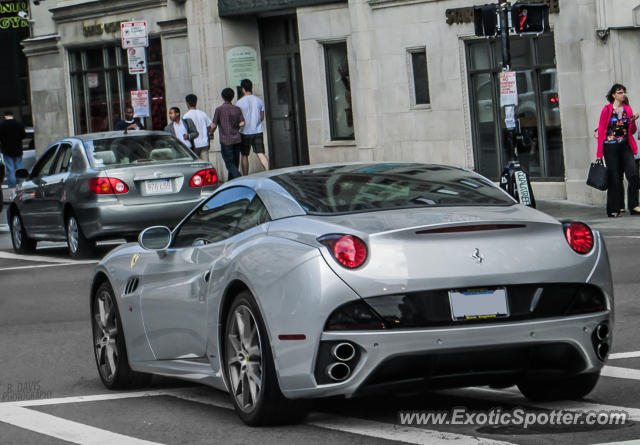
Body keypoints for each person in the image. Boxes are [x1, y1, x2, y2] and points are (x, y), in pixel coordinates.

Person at [597, 84, 640, 217]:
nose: (623, 95)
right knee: (614, 177)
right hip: (610, 147)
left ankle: (633, 205)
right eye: (620, 92)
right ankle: (614, 208)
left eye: (623, 92)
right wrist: (599, 154)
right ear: (614, 95)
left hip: (625, 146)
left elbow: (631, 131)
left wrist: (632, 121)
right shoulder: (607, 110)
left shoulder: (627, 109)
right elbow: (602, 131)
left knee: (633, 174)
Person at [236, 79, 268, 175]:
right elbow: (262, 117)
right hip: (257, 130)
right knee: (261, 153)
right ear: (251, 87)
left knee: (244, 155)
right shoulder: (259, 100)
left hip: (244, 132)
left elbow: (239, 120)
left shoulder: (239, 103)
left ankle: (245, 176)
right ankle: (268, 171)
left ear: (243, 89)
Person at [212, 88, 245, 180]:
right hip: (237, 139)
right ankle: (231, 181)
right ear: (233, 97)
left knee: (229, 163)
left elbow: (214, 125)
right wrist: (237, 125)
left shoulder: (219, 109)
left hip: (226, 140)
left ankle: (239, 178)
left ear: (223, 97)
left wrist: (210, 133)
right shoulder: (237, 109)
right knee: (235, 162)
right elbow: (243, 123)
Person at [0, 111, 26, 193]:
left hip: (7, 150)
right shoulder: (19, 124)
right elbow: (23, 136)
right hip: (18, 149)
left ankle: (12, 188)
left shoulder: (2, 125)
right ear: (13, 115)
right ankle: (21, 185)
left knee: (10, 169)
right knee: (19, 167)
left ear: (5, 116)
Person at [183, 94, 214, 161]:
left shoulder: (186, 116)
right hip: (204, 143)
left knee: (196, 165)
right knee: (205, 164)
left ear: (187, 103)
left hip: (194, 145)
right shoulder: (203, 113)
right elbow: (210, 127)